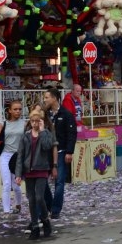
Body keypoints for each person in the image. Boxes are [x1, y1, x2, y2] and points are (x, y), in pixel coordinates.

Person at [13, 106, 57, 239]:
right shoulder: (25, 136)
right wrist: (18, 174)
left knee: (39, 198)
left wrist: (42, 131)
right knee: (31, 199)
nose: (34, 124)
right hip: (28, 170)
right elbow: (20, 156)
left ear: (41, 121)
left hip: (42, 169)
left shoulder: (46, 133)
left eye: (37, 121)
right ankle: (35, 226)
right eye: (32, 121)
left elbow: (47, 146)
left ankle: (45, 220)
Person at [43, 87, 77, 219]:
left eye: (47, 97)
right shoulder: (44, 114)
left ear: (54, 98)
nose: (45, 100)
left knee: (59, 181)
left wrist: (69, 151)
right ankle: (49, 204)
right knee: (42, 180)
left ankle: (56, 210)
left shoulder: (66, 114)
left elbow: (72, 134)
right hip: (46, 152)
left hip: (61, 151)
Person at [0, 99, 26, 214]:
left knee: (16, 184)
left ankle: (18, 204)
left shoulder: (24, 124)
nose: (18, 111)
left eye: (20, 109)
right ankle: (6, 210)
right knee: (7, 183)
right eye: (15, 109)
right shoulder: (3, 124)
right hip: (6, 155)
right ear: (10, 111)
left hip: (18, 156)